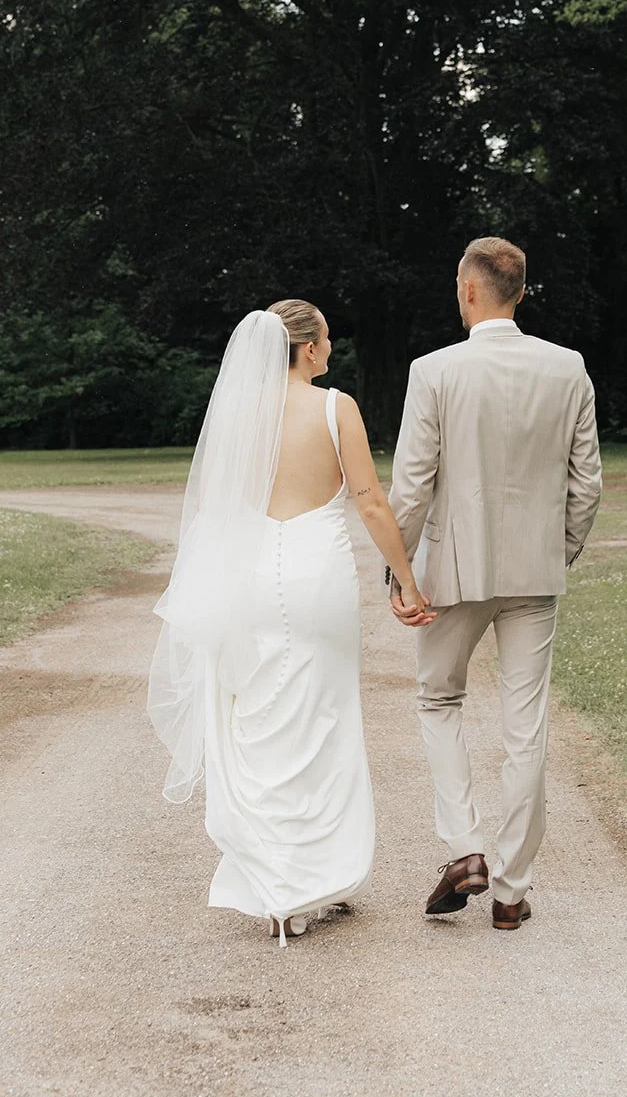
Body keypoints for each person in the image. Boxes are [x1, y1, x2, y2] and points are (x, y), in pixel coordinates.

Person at [147, 300, 430, 947]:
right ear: (306, 349)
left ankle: (275, 888)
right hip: (316, 580)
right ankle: (314, 879)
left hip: (245, 581)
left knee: (256, 724)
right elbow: (370, 501)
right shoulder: (336, 408)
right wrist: (405, 581)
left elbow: (217, 509)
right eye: (326, 338)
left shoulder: (236, 416)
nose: (331, 349)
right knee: (322, 721)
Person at [388, 237, 602, 930]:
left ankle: (463, 850)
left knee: (438, 698)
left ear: (471, 289)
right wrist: (555, 552)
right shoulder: (567, 368)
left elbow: (412, 483)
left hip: (453, 570)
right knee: (525, 727)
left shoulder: (434, 371)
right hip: (534, 572)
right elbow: (586, 485)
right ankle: (510, 889)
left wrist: (399, 572)